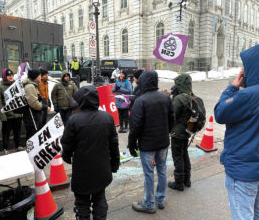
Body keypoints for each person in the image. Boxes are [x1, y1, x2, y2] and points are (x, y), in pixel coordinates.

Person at [214, 43, 259, 220]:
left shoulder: (249, 95)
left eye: (245, 64)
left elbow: (220, 113)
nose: (243, 69)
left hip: (243, 168)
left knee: (243, 214)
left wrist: (232, 88)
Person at [61, 85, 120, 220]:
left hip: (82, 171)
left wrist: (67, 157)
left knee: (82, 203)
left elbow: (67, 145)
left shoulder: (74, 120)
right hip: (102, 168)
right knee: (100, 200)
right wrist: (115, 164)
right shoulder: (107, 117)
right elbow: (114, 144)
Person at [128, 70, 175, 213]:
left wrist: (131, 144)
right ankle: (160, 199)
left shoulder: (140, 100)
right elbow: (172, 119)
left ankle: (149, 203)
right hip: (162, 142)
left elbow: (135, 126)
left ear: (142, 82)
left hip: (147, 145)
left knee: (149, 173)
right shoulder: (165, 98)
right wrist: (165, 132)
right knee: (161, 170)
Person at [167, 73, 193, 191]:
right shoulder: (190, 96)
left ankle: (179, 182)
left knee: (177, 156)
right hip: (187, 130)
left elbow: (172, 114)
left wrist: (173, 97)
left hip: (178, 132)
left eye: (177, 84)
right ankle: (187, 179)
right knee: (184, 154)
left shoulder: (179, 98)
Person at [0, 69, 23, 154]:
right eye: (9, 76)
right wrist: (2, 116)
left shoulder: (16, 85)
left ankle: (17, 145)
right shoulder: (0, 88)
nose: (11, 77)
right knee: (6, 132)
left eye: (12, 75)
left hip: (17, 114)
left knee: (17, 131)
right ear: (5, 77)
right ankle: (5, 147)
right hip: (7, 115)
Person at [22, 69, 50, 141]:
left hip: (35, 116)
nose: (40, 77)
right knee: (33, 136)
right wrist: (44, 107)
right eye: (39, 76)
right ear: (35, 77)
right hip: (31, 117)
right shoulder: (30, 87)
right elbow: (34, 103)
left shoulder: (34, 85)